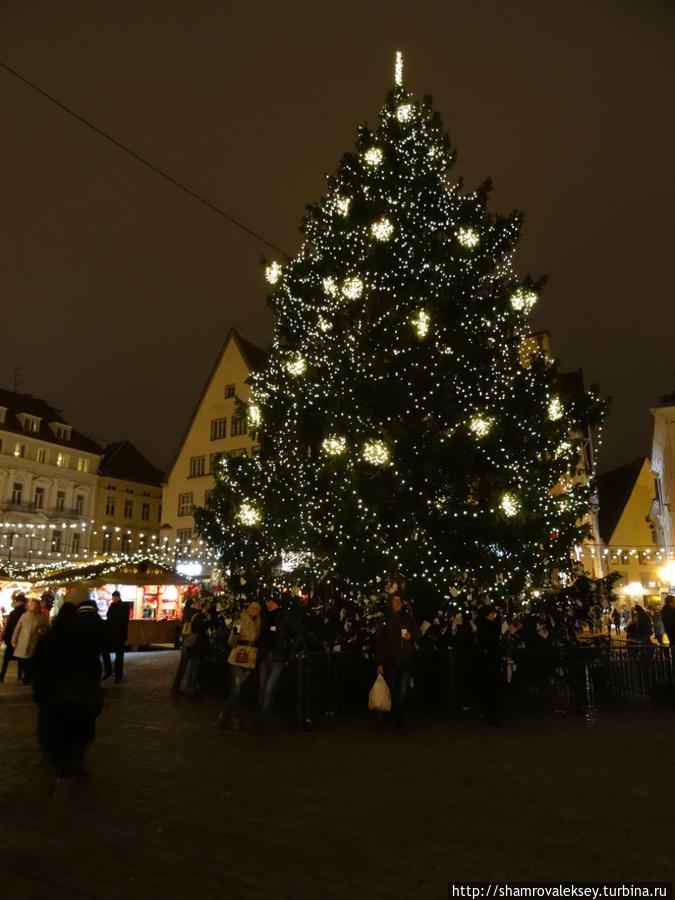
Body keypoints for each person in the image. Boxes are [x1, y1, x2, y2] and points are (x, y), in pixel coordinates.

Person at [33, 586, 106, 788]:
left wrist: (40, 696)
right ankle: (73, 770)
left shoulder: (48, 640)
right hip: (78, 699)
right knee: (76, 739)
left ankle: (59, 774)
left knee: (57, 736)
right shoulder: (82, 641)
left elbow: (38, 671)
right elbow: (93, 670)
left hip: (54, 700)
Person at [255, 595, 303, 730]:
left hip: (278, 656)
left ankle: (263, 722)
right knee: (262, 689)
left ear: (277, 604)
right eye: (268, 602)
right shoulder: (264, 617)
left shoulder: (285, 617)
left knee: (268, 689)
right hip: (265, 655)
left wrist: (290, 647)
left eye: (271, 602)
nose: (268, 604)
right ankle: (259, 719)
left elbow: (299, 632)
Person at [375, 594, 420, 733]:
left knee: (401, 692)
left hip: (405, 659)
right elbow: (379, 641)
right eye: (395, 600)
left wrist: (411, 636)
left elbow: (418, 632)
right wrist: (380, 662)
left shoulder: (407, 617)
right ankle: (396, 720)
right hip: (391, 660)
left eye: (399, 600)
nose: (398, 602)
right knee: (394, 690)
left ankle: (393, 720)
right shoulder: (385, 619)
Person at [216, 601, 261, 730]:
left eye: (257, 608)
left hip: (250, 657)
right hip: (238, 656)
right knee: (237, 688)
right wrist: (236, 638)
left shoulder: (258, 624)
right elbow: (232, 640)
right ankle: (236, 718)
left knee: (237, 688)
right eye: (252, 607)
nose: (254, 610)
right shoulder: (239, 622)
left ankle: (224, 715)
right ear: (248, 609)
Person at [475, 603, 504, 726]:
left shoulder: (490, 625)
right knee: (491, 688)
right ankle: (491, 714)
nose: (493, 616)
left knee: (494, 688)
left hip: (493, 661)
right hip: (488, 661)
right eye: (491, 614)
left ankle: (493, 713)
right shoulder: (484, 627)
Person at [12, 596, 50, 685]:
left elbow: (47, 628)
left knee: (30, 662)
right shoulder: (24, 615)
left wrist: (42, 630)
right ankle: (21, 674)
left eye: (35, 605)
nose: (32, 606)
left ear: (38, 606)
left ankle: (27, 679)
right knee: (23, 661)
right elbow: (17, 628)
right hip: (23, 642)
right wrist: (14, 640)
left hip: (35, 643)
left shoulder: (42, 616)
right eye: (31, 604)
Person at [183, 598, 214, 698]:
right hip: (197, 644)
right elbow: (200, 629)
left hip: (196, 645)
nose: (209, 607)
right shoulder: (199, 616)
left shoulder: (195, 615)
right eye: (208, 605)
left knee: (193, 666)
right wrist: (208, 621)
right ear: (203, 607)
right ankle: (191, 688)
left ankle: (190, 687)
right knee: (195, 666)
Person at [171, 594, 198, 694]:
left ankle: (176, 686)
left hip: (185, 642)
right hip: (192, 642)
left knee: (183, 665)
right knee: (192, 666)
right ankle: (191, 688)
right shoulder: (194, 614)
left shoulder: (185, 614)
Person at [101, 590, 130, 682]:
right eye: (113, 597)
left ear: (118, 597)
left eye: (115, 597)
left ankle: (118, 675)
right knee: (109, 652)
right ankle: (111, 672)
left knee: (119, 655)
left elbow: (123, 621)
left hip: (118, 634)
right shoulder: (113, 606)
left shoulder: (123, 606)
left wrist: (114, 627)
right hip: (113, 634)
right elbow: (110, 618)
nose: (113, 598)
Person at [0, 594, 27, 682]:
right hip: (21, 640)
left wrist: (6, 640)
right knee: (21, 659)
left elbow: (8, 627)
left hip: (11, 639)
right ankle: (20, 676)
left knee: (6, 659)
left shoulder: (13, 613)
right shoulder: (26, 613)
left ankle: (2, 676)